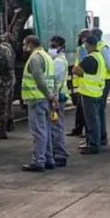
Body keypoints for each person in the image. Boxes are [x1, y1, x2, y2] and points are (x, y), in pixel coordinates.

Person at [19, 35, 54, 171]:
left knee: (39, 132)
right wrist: (52, 97)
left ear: (30, 44)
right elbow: (52, 79)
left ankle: (39, 161)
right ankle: (49, 159)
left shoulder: (34, 58)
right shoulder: (46, 56)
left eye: (24, 44)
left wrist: (50, 96)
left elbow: (40, 81)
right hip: (45, 99)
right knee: (46, 130)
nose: (24, 47)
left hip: (37, 99)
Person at [73, 35, 107, 154]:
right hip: (97, 92)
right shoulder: (99, 57)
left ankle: (93, 145)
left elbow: (76, 70)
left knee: (91, 120)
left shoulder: (90, 58)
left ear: (88, 45)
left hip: (88, 92)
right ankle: (92, 142)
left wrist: (80, 73)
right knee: (95, 119)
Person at [91, 28, 110, 148]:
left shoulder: (101, 47)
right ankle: (100, 136)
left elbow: (109, 64)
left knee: (99, 110)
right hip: (101, 81)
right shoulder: (101, 46)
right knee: (99, 110)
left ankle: (101, 136)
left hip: (104, 81)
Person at [48, 35, 70, 167]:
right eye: (51, 46)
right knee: (55, 126)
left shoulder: (59, 62)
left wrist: (52, 98)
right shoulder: (57, 60)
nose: (51, 49)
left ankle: (60, 154)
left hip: (56, 98)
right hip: (57, 96)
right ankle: (57, 152)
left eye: (54, 46)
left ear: (61, 48)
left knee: (56, 126)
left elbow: (54, 81)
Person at [68, 29, 91, 138]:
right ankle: (79, 129)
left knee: (83, 109)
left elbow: (82, 64)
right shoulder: (84, 49)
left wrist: (76, 70)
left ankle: (83, 130)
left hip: (83, 83)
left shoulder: (82, 49)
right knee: (80, 109)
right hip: (82, 83)